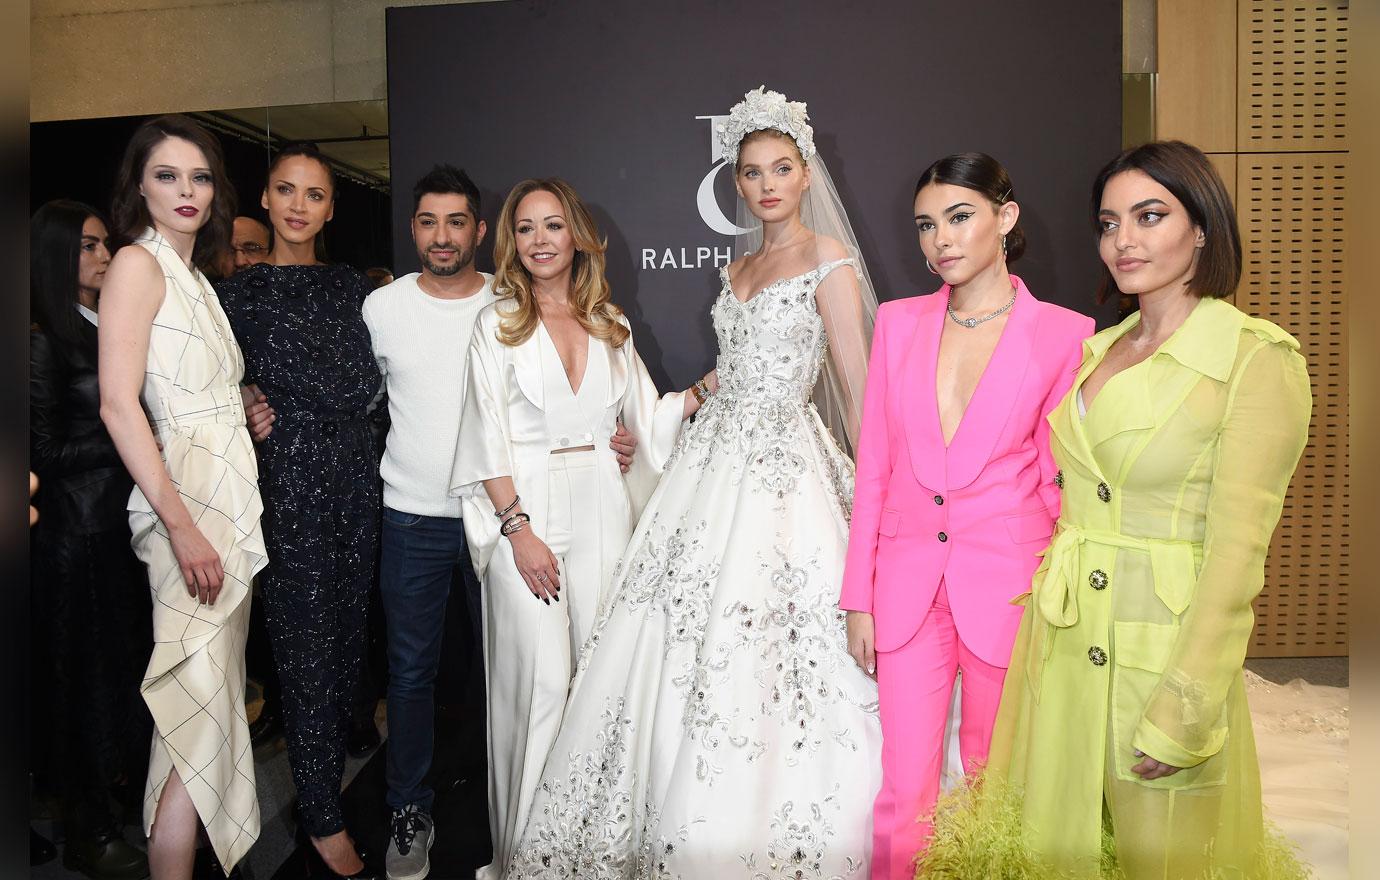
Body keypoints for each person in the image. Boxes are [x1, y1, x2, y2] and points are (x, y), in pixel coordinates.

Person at [506, 86, 882, 876]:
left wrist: (875, 503)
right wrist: (660, 420)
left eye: (782, 168)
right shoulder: (737, 263)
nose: (767, 184)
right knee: (669, 635)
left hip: (786, 472)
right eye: (751, 172)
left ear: (806, 173)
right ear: (736, 183)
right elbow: (726, 373)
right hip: (711, 464)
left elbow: (856, 391)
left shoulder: (830, 262)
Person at [918, 141, 1313, 879]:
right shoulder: (1102, 350)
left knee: (1162, 856)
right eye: (1109, 222)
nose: (1123, 240)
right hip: (1063, 640)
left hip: (1160, 648)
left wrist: (1186, 705)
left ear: (1203, 228)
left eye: (1150, 216)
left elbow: (1237, 558)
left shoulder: (1257, 359)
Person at [838, 154, 1093, 878]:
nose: (940, 240)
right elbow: (877, 469)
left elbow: (1059, 481)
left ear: (1005, 219)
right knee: (904, 790)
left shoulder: (1066, 334)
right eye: (926, 225)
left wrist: (1061, 594)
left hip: (1008, 585)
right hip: (907, 587)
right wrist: (859, 595)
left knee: (992, 782)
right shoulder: (897, 323)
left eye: (959, 217)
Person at [451, 177, 711, 878]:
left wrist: (704, 392)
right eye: (527, 227)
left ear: (577, 237)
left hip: (603, 507)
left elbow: (645, 420)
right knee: (533, 691)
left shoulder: (611, 324)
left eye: (553, 226)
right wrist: (517, 531)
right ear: (513, 241)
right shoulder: (494, 324)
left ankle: (586, 856)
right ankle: (523, 858)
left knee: (599, 684)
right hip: (524, 515)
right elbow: (483, 440)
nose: (540, 240)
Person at [98, 113, 270, 879]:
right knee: (190, 720)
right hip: (189, 512)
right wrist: (182, 527)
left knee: (202, 719)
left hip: (223, 500)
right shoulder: (137, 265)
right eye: (167, 175)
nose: (186, 190)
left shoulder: (194, 273)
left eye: (199, 176)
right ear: (139, 185)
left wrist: (245, 405)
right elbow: (117, 404)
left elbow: (200, 390)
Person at [217, 142, 380, 879]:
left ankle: (324, 785)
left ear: (331, 208)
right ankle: (319, 817)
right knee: (305, 652)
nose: (297, 206)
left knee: (347, 642)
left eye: (314, 195)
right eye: (286, 190)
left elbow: (368, 378)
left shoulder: (350, 287)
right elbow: (200, 389)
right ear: (267, 195)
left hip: (359, 482)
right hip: (289, 489)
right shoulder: (238, 296)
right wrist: (243, 396)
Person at [30, 199, 151, 880]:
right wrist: (125, 431)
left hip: (119, 531)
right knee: (82, 692)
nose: (105, 258)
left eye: (106, 244)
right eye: (88, 247)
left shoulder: (107, 324)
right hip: (73, 540)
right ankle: (89, 831)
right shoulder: (44, 336)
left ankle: (116, 808)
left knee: (121, 683)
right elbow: (42, 450)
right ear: (54, 256)